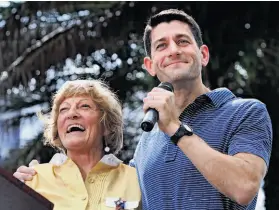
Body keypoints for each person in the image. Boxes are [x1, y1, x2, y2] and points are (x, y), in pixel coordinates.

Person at [14, 8, 272, 210]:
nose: (173, 50)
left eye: (182, 41)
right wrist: (33, 183)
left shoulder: (245, 112)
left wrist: (174, 128)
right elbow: (104, 188)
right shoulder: (147, 140)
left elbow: (244, 186)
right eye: (161, 45)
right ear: (150, 65)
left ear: (203, 55)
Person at [14, 79, 141, 210]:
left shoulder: (137, 180)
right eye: (64, 109)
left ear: (106, 126)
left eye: (84, 106)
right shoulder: (32, 180)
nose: (71, 114)